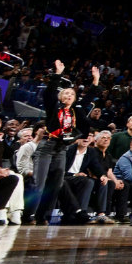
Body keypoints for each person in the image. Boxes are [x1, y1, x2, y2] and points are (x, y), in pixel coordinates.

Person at [34, 61, 99, 224]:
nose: (69, 96)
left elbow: (89, 98)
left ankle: (42, 216)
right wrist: (58, 74)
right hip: (47, 146)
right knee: (39, 184)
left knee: (56, 185)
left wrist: (96, 80)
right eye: (66, 93)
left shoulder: (76, 110)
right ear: (60, 97)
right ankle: (29, 214)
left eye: (72, 94)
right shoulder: (53, 107)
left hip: (61, 148)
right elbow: (49, 92)